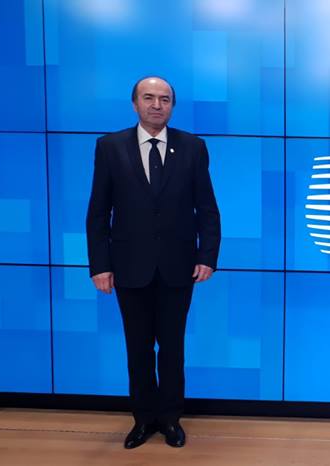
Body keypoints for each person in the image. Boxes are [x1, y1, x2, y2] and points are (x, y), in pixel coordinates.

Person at [85, 76, 221, 449]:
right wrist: (100, 264)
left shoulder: (192, 147)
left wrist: (207, 256)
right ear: (135, 104)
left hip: (179, 266)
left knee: (173, 348)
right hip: (129, 267)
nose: (157, 105)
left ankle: (171, 419)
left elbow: (207, 208)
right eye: (149, 98)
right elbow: (98, 212)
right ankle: (143, 419)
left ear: (172, 106)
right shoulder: (110, 147)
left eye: (165, 99)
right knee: (139, 349)